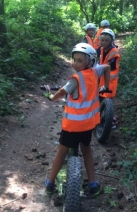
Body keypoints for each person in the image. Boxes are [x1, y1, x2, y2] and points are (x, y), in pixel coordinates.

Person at [44, 43, 111, 196]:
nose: (75, 63)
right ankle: (93, 184)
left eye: (80, 60)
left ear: (89, 61)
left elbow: (62, 91)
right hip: (88, 125)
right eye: (74, 59)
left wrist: (51, 98)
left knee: (61, 152)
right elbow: (106, 67)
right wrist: (105, 86)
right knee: (87, 150)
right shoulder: (95, 71)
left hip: (72, 126)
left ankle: (50, 183)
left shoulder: (76, 78)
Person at [98, 28, 121, 128]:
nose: (104, 42)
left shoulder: (114, 52)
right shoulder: (102, 49)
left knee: (108, 101)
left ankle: (110, 121)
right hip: (102, 80)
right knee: (100, 98)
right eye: (102, 40)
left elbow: (108, 65)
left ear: (111, 41)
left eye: (106, 40)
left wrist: (97, 68)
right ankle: (100, 117)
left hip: (110, 81)